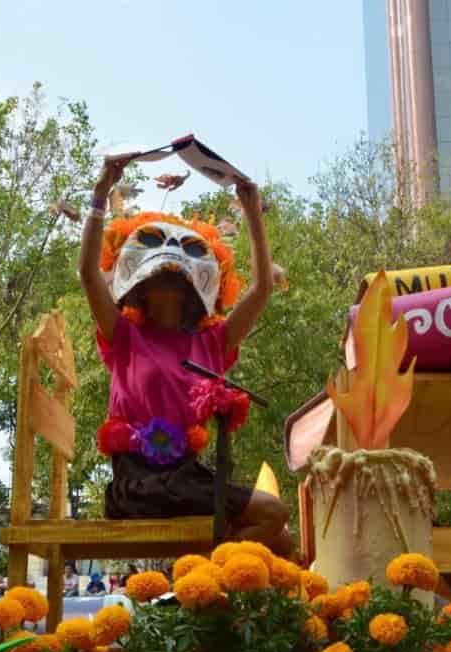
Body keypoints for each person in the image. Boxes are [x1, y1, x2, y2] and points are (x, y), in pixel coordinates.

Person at [77, 156, 291, 556]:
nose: (171, 260)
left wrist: (252, 211)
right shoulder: (124, 335)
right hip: (138, 485)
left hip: (188, 478)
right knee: (273, 513)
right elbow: (89, 275)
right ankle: (209, 572)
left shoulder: (212, 343)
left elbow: (261, 289)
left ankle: (212, 579)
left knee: (282, 541)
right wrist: (100, 192)